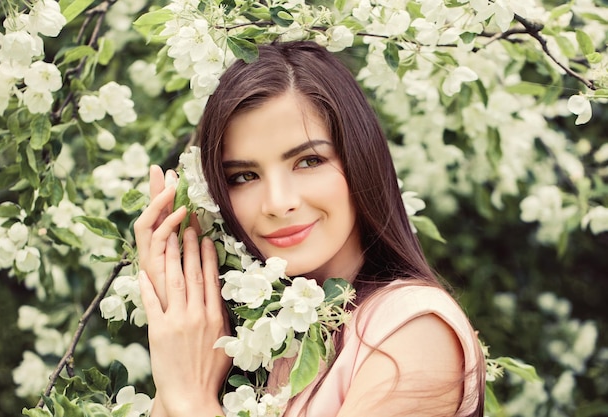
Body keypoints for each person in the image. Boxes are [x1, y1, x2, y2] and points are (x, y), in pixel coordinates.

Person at [134, 41, 486, 417]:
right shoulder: (259, 346)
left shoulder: (412, 332)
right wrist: (180, 322)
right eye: (244, 176)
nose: (277, 202)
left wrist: (189, 398)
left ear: (359, 159)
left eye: (308, 161)